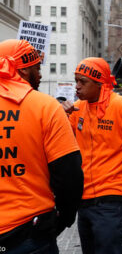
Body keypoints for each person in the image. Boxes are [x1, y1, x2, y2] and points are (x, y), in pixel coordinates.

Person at [61, 57, 122, 254]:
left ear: (99, 84)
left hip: (112, 202)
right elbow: (60, 139)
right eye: (76, 80)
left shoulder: (121, 106)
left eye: (83, 81)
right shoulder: (78, 109)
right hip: (84, 200)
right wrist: (60, 114)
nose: (77, 86)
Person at [0, 39, 83, 253]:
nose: (41, 75)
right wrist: (64, 218)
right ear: (25, 70)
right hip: (29, 232)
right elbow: (69, 174)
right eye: (37, 67)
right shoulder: (46, 107)